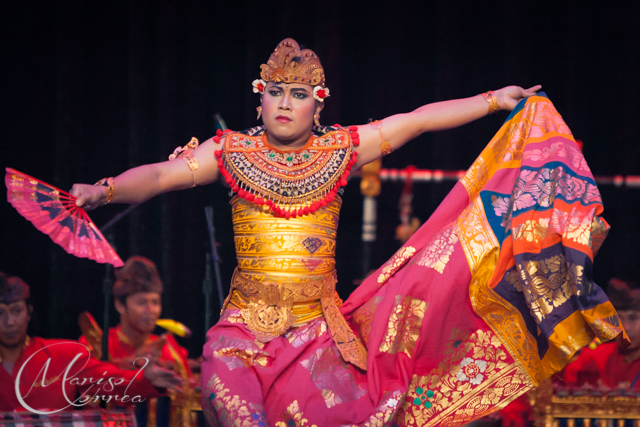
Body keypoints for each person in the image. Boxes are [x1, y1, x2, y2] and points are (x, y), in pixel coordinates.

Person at [69, 38, 622, 426]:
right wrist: (105, 190)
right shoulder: (230, 151)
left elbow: (417, 120)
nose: (286, 104)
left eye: (299, 95)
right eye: (276, 92)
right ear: (258, 96)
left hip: (319, 339)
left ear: (318, 103)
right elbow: (162, 175)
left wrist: (491, 102)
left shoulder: (342, 149)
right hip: (241, 336)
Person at [0, 271, 182, 412]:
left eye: (17, 311)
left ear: (29, 312)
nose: (10, 322)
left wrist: (147, 380)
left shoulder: (62, 354)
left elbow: (115, 382)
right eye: (1, 313)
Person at [79, 255, 197, 427]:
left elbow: (187, 399)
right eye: (142, 303)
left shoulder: (169, 346)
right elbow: (85, 387)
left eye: (155, 302)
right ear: (120, 306)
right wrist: (131, 361)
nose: (151, 310)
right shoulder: (99, 344)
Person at [562, 278, 640, 390]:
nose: (625, 327)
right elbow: (563, 386)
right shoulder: (595, 356)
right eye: (619, 319)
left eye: (633, 318)